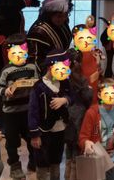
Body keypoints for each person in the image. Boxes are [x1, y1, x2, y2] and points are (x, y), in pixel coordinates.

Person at [0, 34, 38, 178]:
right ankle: (14, 165)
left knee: (32, 137)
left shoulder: (32, 67)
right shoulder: (6, 70)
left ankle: (33, 162)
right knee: (12, 141)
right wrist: (5, 91)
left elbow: (37, 82)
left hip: (28, 110)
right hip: (11, 112)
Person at [29, 50, 74, 180]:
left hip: (60, 129)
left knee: (56, 159)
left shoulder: (64, 83)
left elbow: (72, 97)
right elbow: (32, 112)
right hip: (43, 130)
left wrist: (64, 100)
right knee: (42, 161)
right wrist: (35, 135)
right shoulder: (38, 87)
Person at [79, 79, 114, 180]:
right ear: (100, 95)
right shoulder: (92, 113)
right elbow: (83, 137)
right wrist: (86, 143)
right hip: (96, 156)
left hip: (113, 156)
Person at [64, 51, 94, 180]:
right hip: (79, 114)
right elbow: (87, 97)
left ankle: (67, 176)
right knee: (77, 149)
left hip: (67, 114)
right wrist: (90, 90)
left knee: (68, 148)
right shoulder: (81, 79)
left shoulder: (63, 78)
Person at [28, 0, 73, 71]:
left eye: (66, 15)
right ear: (49, 15)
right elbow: (35, 61)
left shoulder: (63, 24)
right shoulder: (38, 32)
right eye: (59, 16)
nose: (63, 19)